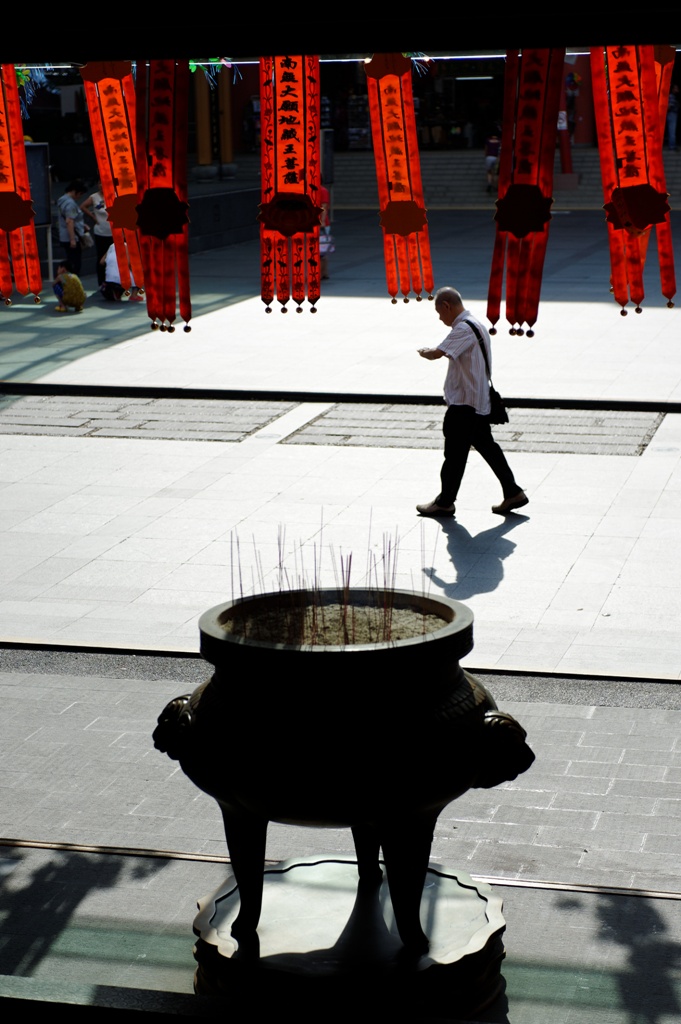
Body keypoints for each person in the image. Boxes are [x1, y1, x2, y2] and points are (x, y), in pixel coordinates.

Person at [416, 286, 528, 518]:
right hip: (477, 401)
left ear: (447, 306)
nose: (440, 318)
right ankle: (513, 491)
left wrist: (425, 352)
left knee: (454, 455)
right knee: (488, 448)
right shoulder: (476, 323)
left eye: (439, 313)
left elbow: (438, 353)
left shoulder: (463, 328)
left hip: (465, 404)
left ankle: (445, 502)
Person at [81, 184, 112, 285]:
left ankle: (114, 281)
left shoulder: (114, 195)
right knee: (101, 257)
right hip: (101, 232)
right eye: (100, 184)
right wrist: (93, 217)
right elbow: (83, 206)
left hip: (113, 232)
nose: (102, 186)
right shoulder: (94, 197)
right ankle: (102, 282)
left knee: (114, 257)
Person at [56, 179, 89, 275]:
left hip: (64, 235)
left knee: (71, 260)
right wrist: (72, 239)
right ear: (75, 192)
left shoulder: (61, 200)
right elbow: (69, 221)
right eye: (80, 194)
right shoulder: (70, 204)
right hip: (71, 236)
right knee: (75, 262)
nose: (80, 197)